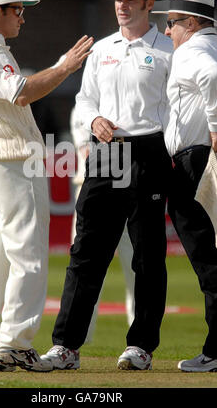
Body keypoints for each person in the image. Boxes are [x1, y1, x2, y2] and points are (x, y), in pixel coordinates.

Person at [0, 0, 93, 373]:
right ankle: (13, 343)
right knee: (27, 256)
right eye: (17, 11)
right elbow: (22, 92)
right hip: (13, 160)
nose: (22, 18)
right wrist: (64, 67)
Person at [41, 0, 173, 371]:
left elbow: (175, 106)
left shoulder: (168, 50)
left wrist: (169, 148)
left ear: (150, 4)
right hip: (107, 152)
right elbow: (84, 100)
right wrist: (93, 120)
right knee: (86, 252)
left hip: (150, 150)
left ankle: (141, 347)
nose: (122, 4)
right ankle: (66, 347)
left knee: (148, 254)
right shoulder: (101, 49)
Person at [154, 0, 217, 372]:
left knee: (208, 257)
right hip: (210, 158)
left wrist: (215, 125)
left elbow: (211, 77)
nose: (167, 31)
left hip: (197, 160)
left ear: (192, 23)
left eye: (171, 22)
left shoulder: (194, 52)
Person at [70, 105, 135, 341]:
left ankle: (137, 338)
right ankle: (77, 338)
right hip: (93, 193)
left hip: (129, 190)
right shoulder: (82, 109)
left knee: (135, 268)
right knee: (85, 268)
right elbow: (88, 152)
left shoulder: (127, 103)